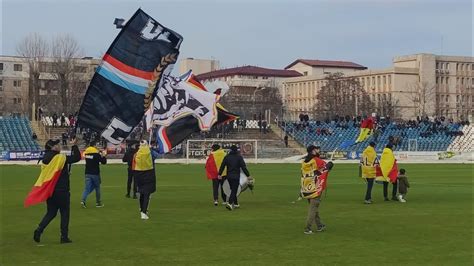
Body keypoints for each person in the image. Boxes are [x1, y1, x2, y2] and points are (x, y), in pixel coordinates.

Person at [32, 138, 80, 244]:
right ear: (52, 147)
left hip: (50, 190)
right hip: (62, 190)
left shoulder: (45, 158)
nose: (59, 146)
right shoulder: (60, 158)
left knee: (51, 212)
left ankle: (39, 229)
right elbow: (77, 157)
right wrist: (74, 146)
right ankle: (64, 236)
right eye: (56, 145)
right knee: (65, 213)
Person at [300, 145, 333, 235]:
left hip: (306, 188)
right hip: (315, 187)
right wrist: (330, 164)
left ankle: (319, 225)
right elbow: (325, 168)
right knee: (313, 208)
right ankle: (307, 228)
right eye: (316, 149)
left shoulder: (304, 162)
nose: (318, 150)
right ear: (312, 151)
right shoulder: (316, 160)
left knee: (314, 207)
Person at [218, 145, 251, 211]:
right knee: (234, 190)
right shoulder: (239, 157)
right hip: (236, 176)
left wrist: (219, 174)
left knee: (232, 190)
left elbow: (222, 166)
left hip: (229, 176)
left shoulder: (227, 157)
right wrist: (248, 175)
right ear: (236, 150)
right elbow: (243, 167)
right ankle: (230, 203)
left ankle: (236, 203)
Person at [132, 140, 159, 220]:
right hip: (149, 174)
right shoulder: (150, 153)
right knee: (147, 194)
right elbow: (157, 156)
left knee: (142, 193)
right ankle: (144, 212)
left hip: (139, 175)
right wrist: (151, 149)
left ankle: (141, 209)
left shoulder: (136, 154)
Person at [80, 141, 107, 208]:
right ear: (94, 145)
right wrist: (103, 155)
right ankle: (98, 203)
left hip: (87, 173)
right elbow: (103, 162)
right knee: (97, 187)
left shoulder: (87, 154)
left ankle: (83, 200)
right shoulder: (96, 154)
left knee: (87, 188)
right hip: (95, 173)